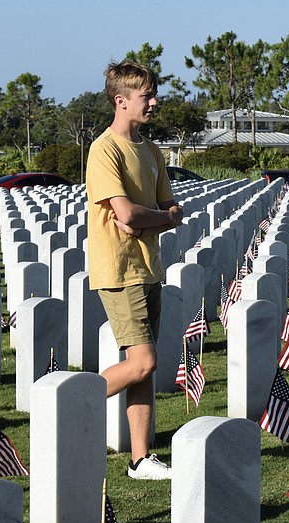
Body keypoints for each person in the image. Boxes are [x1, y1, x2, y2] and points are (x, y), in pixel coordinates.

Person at [86, 60, 184, 480]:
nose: (155, 102)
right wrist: (158, 217)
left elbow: (170, 209)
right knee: (142, 362)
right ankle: (68, 406)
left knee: (147, 363)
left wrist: (157, 218)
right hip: (120, 269)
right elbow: (124, 213)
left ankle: (140, 458)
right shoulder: (104, 150)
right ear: (121, 101)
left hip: (149, 267)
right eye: (147, 96)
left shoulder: (151, 150)